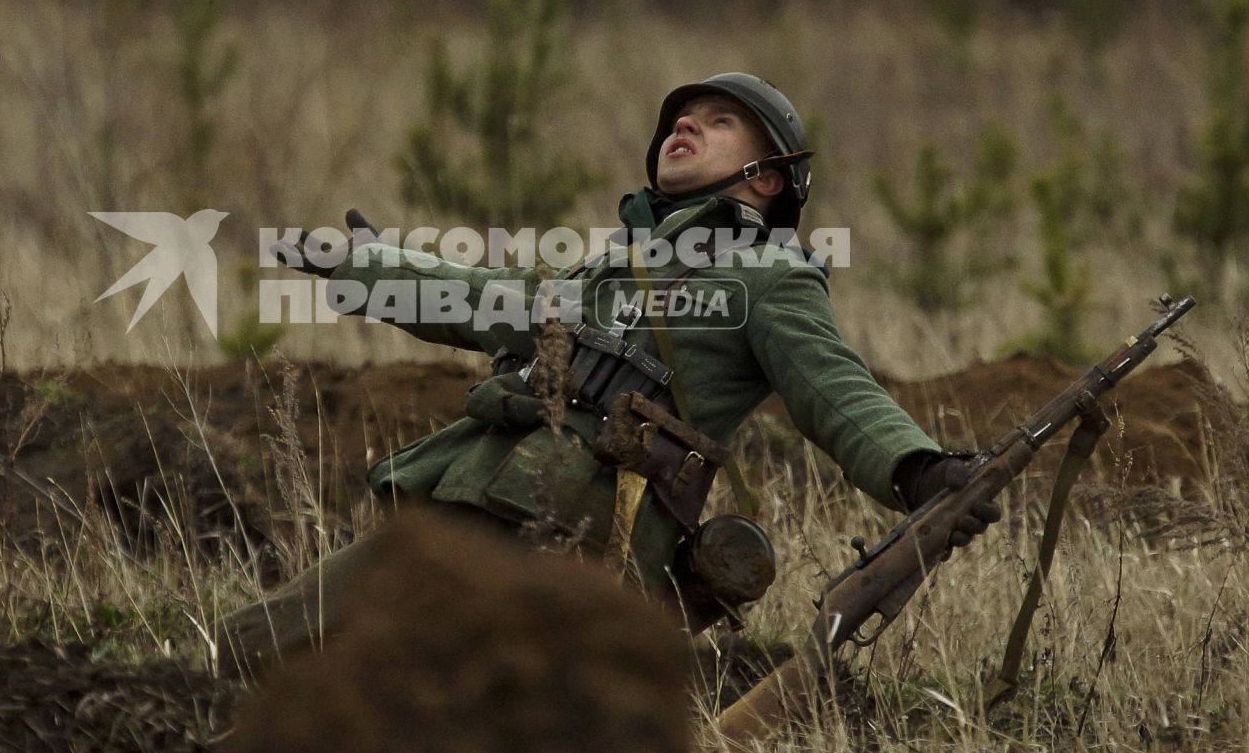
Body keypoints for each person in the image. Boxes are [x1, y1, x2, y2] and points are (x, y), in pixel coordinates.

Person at [222, 72, 995, 678]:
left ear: (767, 178)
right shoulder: (612, 266)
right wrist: (360, 262)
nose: (684, 124)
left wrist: (916, 468)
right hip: (483, 501)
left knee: (362, 672)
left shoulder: (769, 275)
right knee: (253, 646)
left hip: (583, 537)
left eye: (719, 120)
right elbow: (485, 297)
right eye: (680, 119)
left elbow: (835, 389)